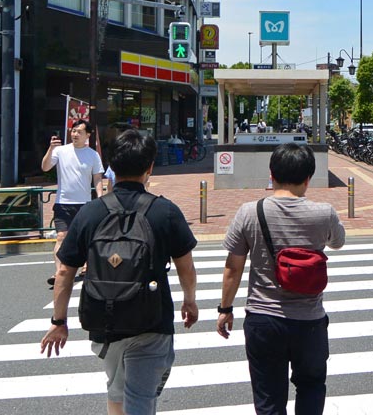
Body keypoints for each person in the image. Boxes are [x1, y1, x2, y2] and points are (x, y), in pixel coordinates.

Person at [41, 129, 198, 415]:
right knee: (139, 396)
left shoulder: (90, 213)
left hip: (104, 318)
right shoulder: (165, 211)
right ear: (150, 167)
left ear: (111, 166)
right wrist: (190, 299)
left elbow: (65, 271)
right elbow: (185, 265)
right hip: (151, 319)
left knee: (116, 389)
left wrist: (58, 321)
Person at [216, 143, 346, 415]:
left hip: (263, 320)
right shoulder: (324, 213)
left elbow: (233, 268)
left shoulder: (249, 212)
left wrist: (225, 309)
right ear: (308, 178)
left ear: (271, 173)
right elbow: (338, 242)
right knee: (311, 385)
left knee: (268, 399)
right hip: (309, 321)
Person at [41, 119, 105, 286]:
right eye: (73, 131)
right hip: (63, 202)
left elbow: (97, 178)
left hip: (84, 204)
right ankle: (59, 272)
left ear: (87, 135)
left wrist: (99, 198)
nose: (75, 134)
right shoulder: (60, 151)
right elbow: (45, 167)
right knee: (62, 236)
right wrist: (51, 148)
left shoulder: (93, 155)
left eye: (79, 132)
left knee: (85, 238)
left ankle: (86, 266)